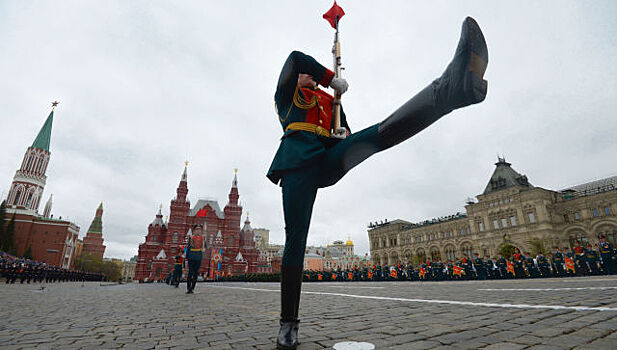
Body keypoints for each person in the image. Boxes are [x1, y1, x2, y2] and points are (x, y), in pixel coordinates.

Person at [268, 17, 488, 349]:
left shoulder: (332, 105)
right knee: (296, 239)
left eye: (313, 77)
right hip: (296, 164)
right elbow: (296, 57)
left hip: (325, 160)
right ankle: (288, 322)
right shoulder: (287, 95)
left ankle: (449, 91)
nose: (307, 77)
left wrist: (342, 133)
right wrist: (330, 79)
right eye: (307, 76)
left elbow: (349, 135)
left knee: (379, 135)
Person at [186, 225, 205, 294]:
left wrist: (204, 247)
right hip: (191, 256)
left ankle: (192, 288)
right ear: (194, 231)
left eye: (199, 229)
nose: (198, 231)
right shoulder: (191, 238)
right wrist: (186, 257)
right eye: (197, 229)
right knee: (190, 272)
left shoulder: (203, 238)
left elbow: (205, 247)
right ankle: (188, 288)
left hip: (198, 257)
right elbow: (188, 247)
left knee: (196, 273)